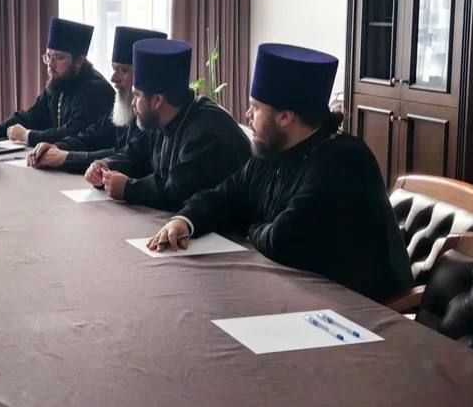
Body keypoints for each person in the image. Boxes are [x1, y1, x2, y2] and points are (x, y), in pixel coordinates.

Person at [147, 43, 412, 304]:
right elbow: (225, 196)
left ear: (285, 117)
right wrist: (184, 221)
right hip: (298, 288)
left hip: (359, 306)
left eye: (256, 107)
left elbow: (282, 241)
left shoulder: (344, 160)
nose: (247, 115)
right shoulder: (272, 149)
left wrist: (249, 227)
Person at [87, 39, 251, 211]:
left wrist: (129, 189)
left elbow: (179, 192)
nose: (133, 103)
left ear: (157, 100)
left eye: (137, 96)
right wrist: (104, 166)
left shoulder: (206, 131)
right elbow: (134, 155)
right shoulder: (162, 117)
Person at [27, 25, 165, 172]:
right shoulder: (124, 106)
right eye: (114, 69)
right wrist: (58, 147)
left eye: (123, 70)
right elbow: (92, 135)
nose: (113, 78)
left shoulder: (154, 118)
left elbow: (127, 157)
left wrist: (66, 157)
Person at [0, 17, 113, 146]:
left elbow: (73, 133)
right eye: (48, 56)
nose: (50, 64)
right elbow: (31, 117)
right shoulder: (59, 82)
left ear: (78, 61)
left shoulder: (96, 90)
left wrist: (27, 135)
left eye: (58, 57)